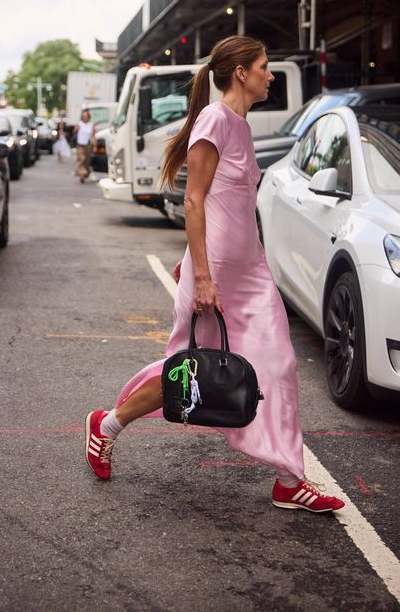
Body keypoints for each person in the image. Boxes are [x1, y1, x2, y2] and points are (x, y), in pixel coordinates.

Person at [85, 35, 345, 514]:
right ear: (241, 72)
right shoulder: (214, 119)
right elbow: (194, 198)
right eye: (265, 66)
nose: (272, 74)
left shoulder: (241, 126)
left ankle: (289, 480)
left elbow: (235, 206)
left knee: (280, 364)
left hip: (249, 268)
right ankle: (107, 425)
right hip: (218, 274)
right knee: (191, 373)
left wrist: (199, 255)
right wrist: (201, 272)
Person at [73, 110, 96, 182]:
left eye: (86, 116)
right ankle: (81, 174)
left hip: (88, 145)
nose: (85, 117)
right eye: (83, 116)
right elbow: (74, 131)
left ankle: (85, 174)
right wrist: (76, 129)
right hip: (80, 145)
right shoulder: (79, 124)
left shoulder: (91, 125)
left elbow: (93, 136)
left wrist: (95, 146)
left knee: (87, 162)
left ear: (88, 117)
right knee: (81, 159)